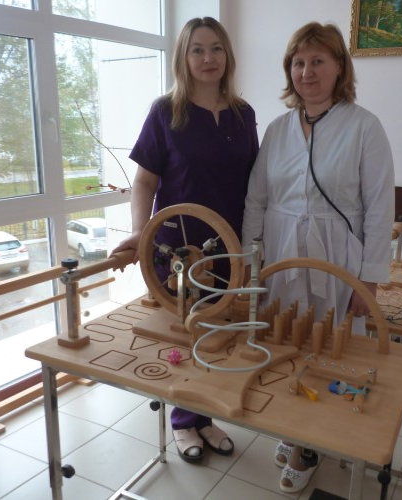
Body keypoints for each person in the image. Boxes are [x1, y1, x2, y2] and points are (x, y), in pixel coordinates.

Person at [241, 22, 394, 493]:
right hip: (283, 253)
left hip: (338, 257)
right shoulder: (277, 129)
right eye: (299, 62)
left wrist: (368, 283)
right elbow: (256, 200)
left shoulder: (364, 126)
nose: (307, 71)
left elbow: (380, 208)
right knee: (287, 343)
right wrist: (249, 263)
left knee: (331, 349)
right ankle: (294, 429)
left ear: (339, 67)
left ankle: (314, 444)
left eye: (318, 61)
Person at [112, 17, 259, 463]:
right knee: (183, 335)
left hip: (229, 246)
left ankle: (204, 417)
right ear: (184, 57)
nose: (208, 58)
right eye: (198, 49)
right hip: (179, 247)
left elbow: (254, 183)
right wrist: (140, 233)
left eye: (216, 48)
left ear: (227, 55)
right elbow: (144, 182)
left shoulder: (243, 114)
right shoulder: (166, 111)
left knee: (217, 338)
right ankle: (182, 423)